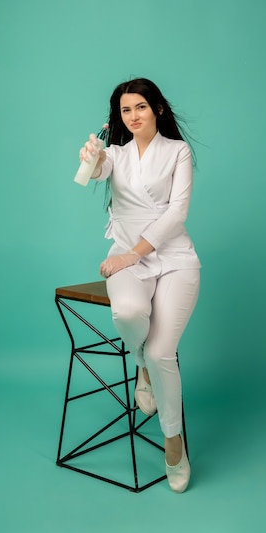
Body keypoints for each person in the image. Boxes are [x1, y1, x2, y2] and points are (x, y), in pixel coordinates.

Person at [79, 77, 201, 493]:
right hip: (126, 257)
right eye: (125, 110)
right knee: (130, 314)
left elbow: (176, 214)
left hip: (173, 259)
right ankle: (141, 367)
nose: (132, 116)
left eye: (140, 108)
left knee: (164, 348)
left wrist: (133, 253)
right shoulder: (115, 154)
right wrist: (91, 158)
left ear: (158, 110)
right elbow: (97, 171)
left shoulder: (178, 152)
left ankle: (173, 441)